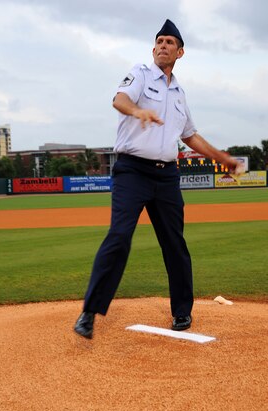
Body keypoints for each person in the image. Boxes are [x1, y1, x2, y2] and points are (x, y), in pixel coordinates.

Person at [74, 19, 241, 339]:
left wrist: (223, 158)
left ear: (180, 52)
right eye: (159, 41)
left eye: (170, 42)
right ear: (153, 49)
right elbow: (119, 100)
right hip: (132, 171)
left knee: (175, 244)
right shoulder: (139, 73)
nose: (163, 46)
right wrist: (138, 112)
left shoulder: (179, 93)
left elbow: (190, 136)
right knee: (119, 237)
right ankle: (89, 313)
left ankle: (182, 312)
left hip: (166, 177)